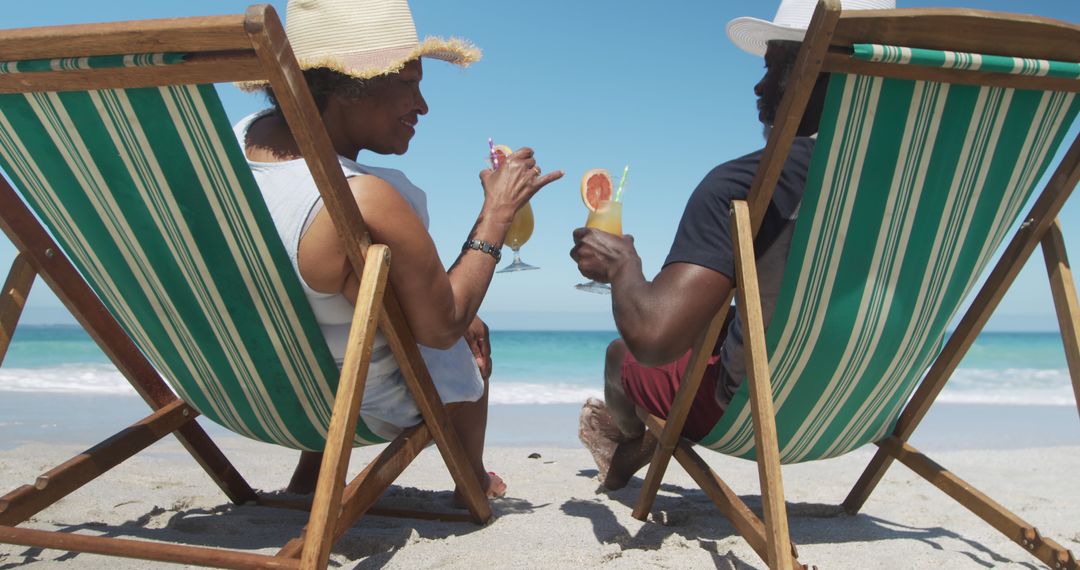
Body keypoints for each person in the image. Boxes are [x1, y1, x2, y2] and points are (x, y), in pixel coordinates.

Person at [237, 0, 562, 503]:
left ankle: (309, 477)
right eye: (408, 84)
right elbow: (441, 326)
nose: (423, 106)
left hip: (239, 388)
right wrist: (498, 213)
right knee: (464, 340)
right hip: (343, 404)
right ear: (348, 86)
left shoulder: (234, 148)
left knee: (347, 322)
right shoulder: (364, 199)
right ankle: (470, 479)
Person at [570, 0, 893, 490]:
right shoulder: (921, 177)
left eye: (774, 67)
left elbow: (654, 340)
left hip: (755, 409)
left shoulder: (743, 185)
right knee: (710, 329)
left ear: (822, 72)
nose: (759, 86)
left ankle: (630, 442)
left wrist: (621, 263)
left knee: (622, 355)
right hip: (865, 402)